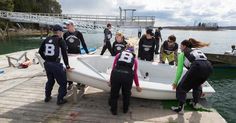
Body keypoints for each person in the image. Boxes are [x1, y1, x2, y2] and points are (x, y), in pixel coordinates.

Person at [171, 38, 213, 114]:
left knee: (181, 88)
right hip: (209, 67)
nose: (180, 48)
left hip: (197, 67)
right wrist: (202, 88)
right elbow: (202, 69)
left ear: (184, 46)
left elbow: (179, 71)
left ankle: (180, 109)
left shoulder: (182, 54)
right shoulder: (196, 50)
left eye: (181, 46)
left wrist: (175, 82)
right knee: (196, 84)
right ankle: (195, 103)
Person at [38, 24, 71, 105]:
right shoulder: (60, 40)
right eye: (62, 32)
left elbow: (40, 51)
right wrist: (67, 66)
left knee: (50, 81)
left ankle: (47, 96)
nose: (62, 33)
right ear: (59, 32)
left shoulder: (46, 39)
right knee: (63, 83)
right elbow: (64, 55)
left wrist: (46, 59)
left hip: (47, 64)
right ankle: (60, 99)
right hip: (56, 64)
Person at [108, 45, 142, 115]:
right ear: (133, 51)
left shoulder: (118, 55)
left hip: (116, 75)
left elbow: (113, 68)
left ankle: (113, 110)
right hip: (127, 77)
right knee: (126, 94)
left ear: (125, 49)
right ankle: (125, 109)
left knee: (114, 94)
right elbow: (135, 74)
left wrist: (110, 80)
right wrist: (137, 85)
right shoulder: (134, 59)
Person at [63, 20, 89, 90]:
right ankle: (70, 83)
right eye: (66, 25)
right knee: (68, 69)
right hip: (69, 54)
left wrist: (87, 52)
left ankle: (79, 82)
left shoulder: (78, 33)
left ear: (72, 25)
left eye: (68, 25)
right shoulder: (65, 34)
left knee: (78, 69)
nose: (67, 26)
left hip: (77, 53)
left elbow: (83, 43)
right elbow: (63, 45)